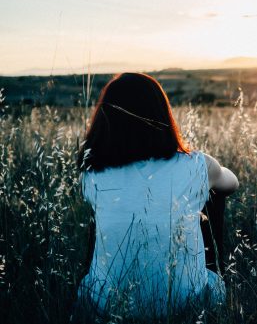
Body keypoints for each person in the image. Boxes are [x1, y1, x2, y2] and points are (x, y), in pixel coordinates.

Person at [76, 72, 238, 318]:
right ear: (162, 114)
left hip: (108, 306)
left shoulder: (92, 174)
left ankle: (108, 281)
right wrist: (207, 174)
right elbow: (231, 184)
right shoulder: (197, 165)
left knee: (101, 215)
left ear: (105, 119)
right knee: (213, 196)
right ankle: (208, 278)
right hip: (186, 304)